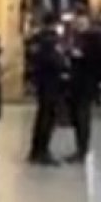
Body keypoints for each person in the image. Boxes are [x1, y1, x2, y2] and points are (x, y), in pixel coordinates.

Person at [65, 14, 101, 163]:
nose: (78, 26)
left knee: (83, 117)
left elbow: (100, 62)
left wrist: (82, 57)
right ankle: (79, 148)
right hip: (76, 84)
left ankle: (82, 149)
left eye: (81, 23)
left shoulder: (94, 41)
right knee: (78, 117)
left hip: (86, 84)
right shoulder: (77, 40)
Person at [27, 13, 66, 167]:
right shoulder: (49, 40)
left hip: (41, 83)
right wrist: (63, 62)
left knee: (41, 117)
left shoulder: (36, 40)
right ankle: (43, 150)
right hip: (51, 83)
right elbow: (54, 60)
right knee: (47, 118)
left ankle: (36, 150)